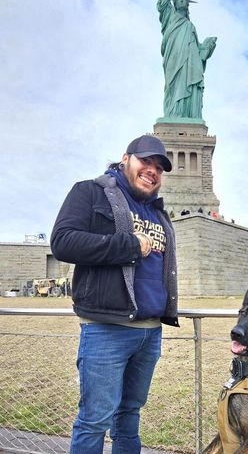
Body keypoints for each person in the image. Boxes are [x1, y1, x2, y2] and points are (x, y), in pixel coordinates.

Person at [51, 134, 178, 454]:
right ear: (125, 159)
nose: (152, 170)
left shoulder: (159, 213)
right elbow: (63, 242)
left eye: (159, 168)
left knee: (130, 414)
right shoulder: (90, 192)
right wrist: (128, 246)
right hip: (106, 329)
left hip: (150, 332)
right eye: (145, 162)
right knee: (94, 420)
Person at [155, 0, 217, 119]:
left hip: (188, 69)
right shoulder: (169, 17)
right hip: (174, 65)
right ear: (174, 2)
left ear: (188, 3)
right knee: (173, 90)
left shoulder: (190, 26)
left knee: (189, 87)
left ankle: (189, 116)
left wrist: (207, 47)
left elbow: (198, 54)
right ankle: (175, 115)